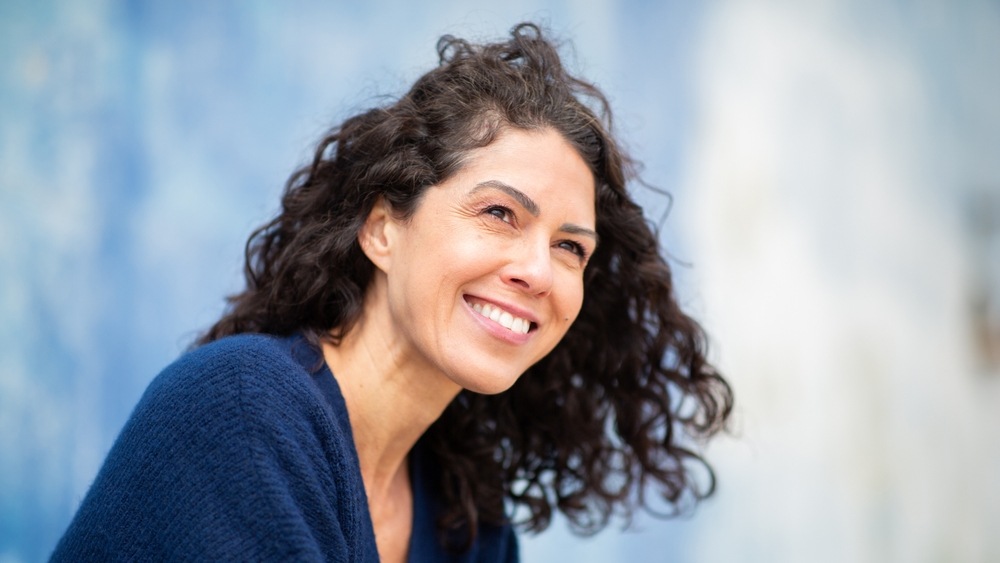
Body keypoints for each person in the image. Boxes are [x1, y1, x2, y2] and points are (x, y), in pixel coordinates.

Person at [51, 23, 733, 563]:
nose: (539, 270)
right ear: (381, 229)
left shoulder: (467, 518)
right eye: (500, 213)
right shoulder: (241, 410)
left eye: (570, 247)